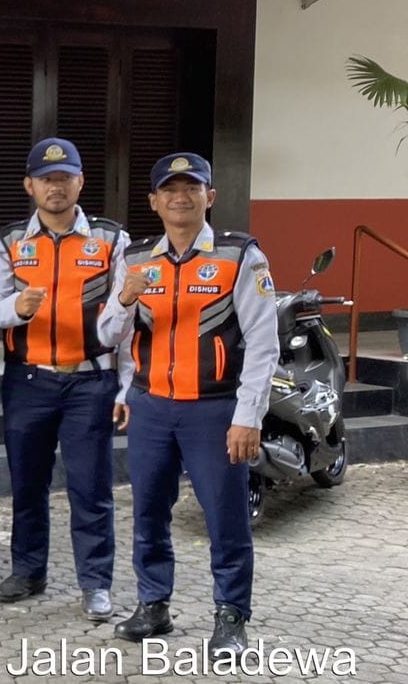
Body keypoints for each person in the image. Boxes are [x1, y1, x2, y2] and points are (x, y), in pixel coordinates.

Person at [98, 152, 276, 657]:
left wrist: (248, 417)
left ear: (209, 197)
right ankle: (153, 604)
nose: (181, 197)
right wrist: (124, 299)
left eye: (191, 188)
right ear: (154, 201)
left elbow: (263, 344)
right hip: (151, 407)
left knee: (226, 517)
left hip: (215, 411)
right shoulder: (135, 258)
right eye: (169, 190)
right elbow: (107, 335)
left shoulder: (240, 256)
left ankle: (231, 616)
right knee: (149, 513)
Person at [0, 138, 127, 620]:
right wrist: (16, 309)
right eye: (46, 179)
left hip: (91, 381)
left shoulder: (111, 240)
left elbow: (128, 317)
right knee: (27, 483)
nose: (55, 187)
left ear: (80, 182)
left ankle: (96, 583)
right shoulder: (8, 242)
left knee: (90, 487)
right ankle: (28, 571)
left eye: (64, 178)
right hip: (28, 381)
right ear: (30, 186)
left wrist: (126, 384)